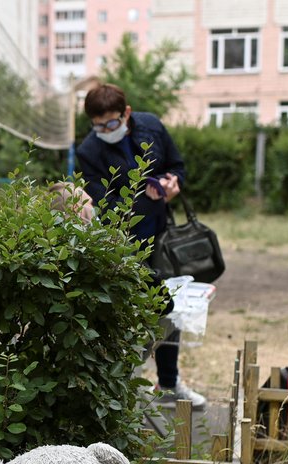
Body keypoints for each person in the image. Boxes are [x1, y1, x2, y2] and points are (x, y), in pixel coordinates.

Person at [76, 83, 205, 409]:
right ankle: (124, 385)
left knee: (166, 306)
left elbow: (177, 166)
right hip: (122, 244)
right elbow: (106, 206)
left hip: (160, 234)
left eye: (111, 123)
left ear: (127, 114)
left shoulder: (152, 126)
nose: (105, 130)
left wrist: (172, 183)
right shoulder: (89, 152)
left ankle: (165, 383)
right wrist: (141, 198)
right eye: (98, 125)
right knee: (155, 309)